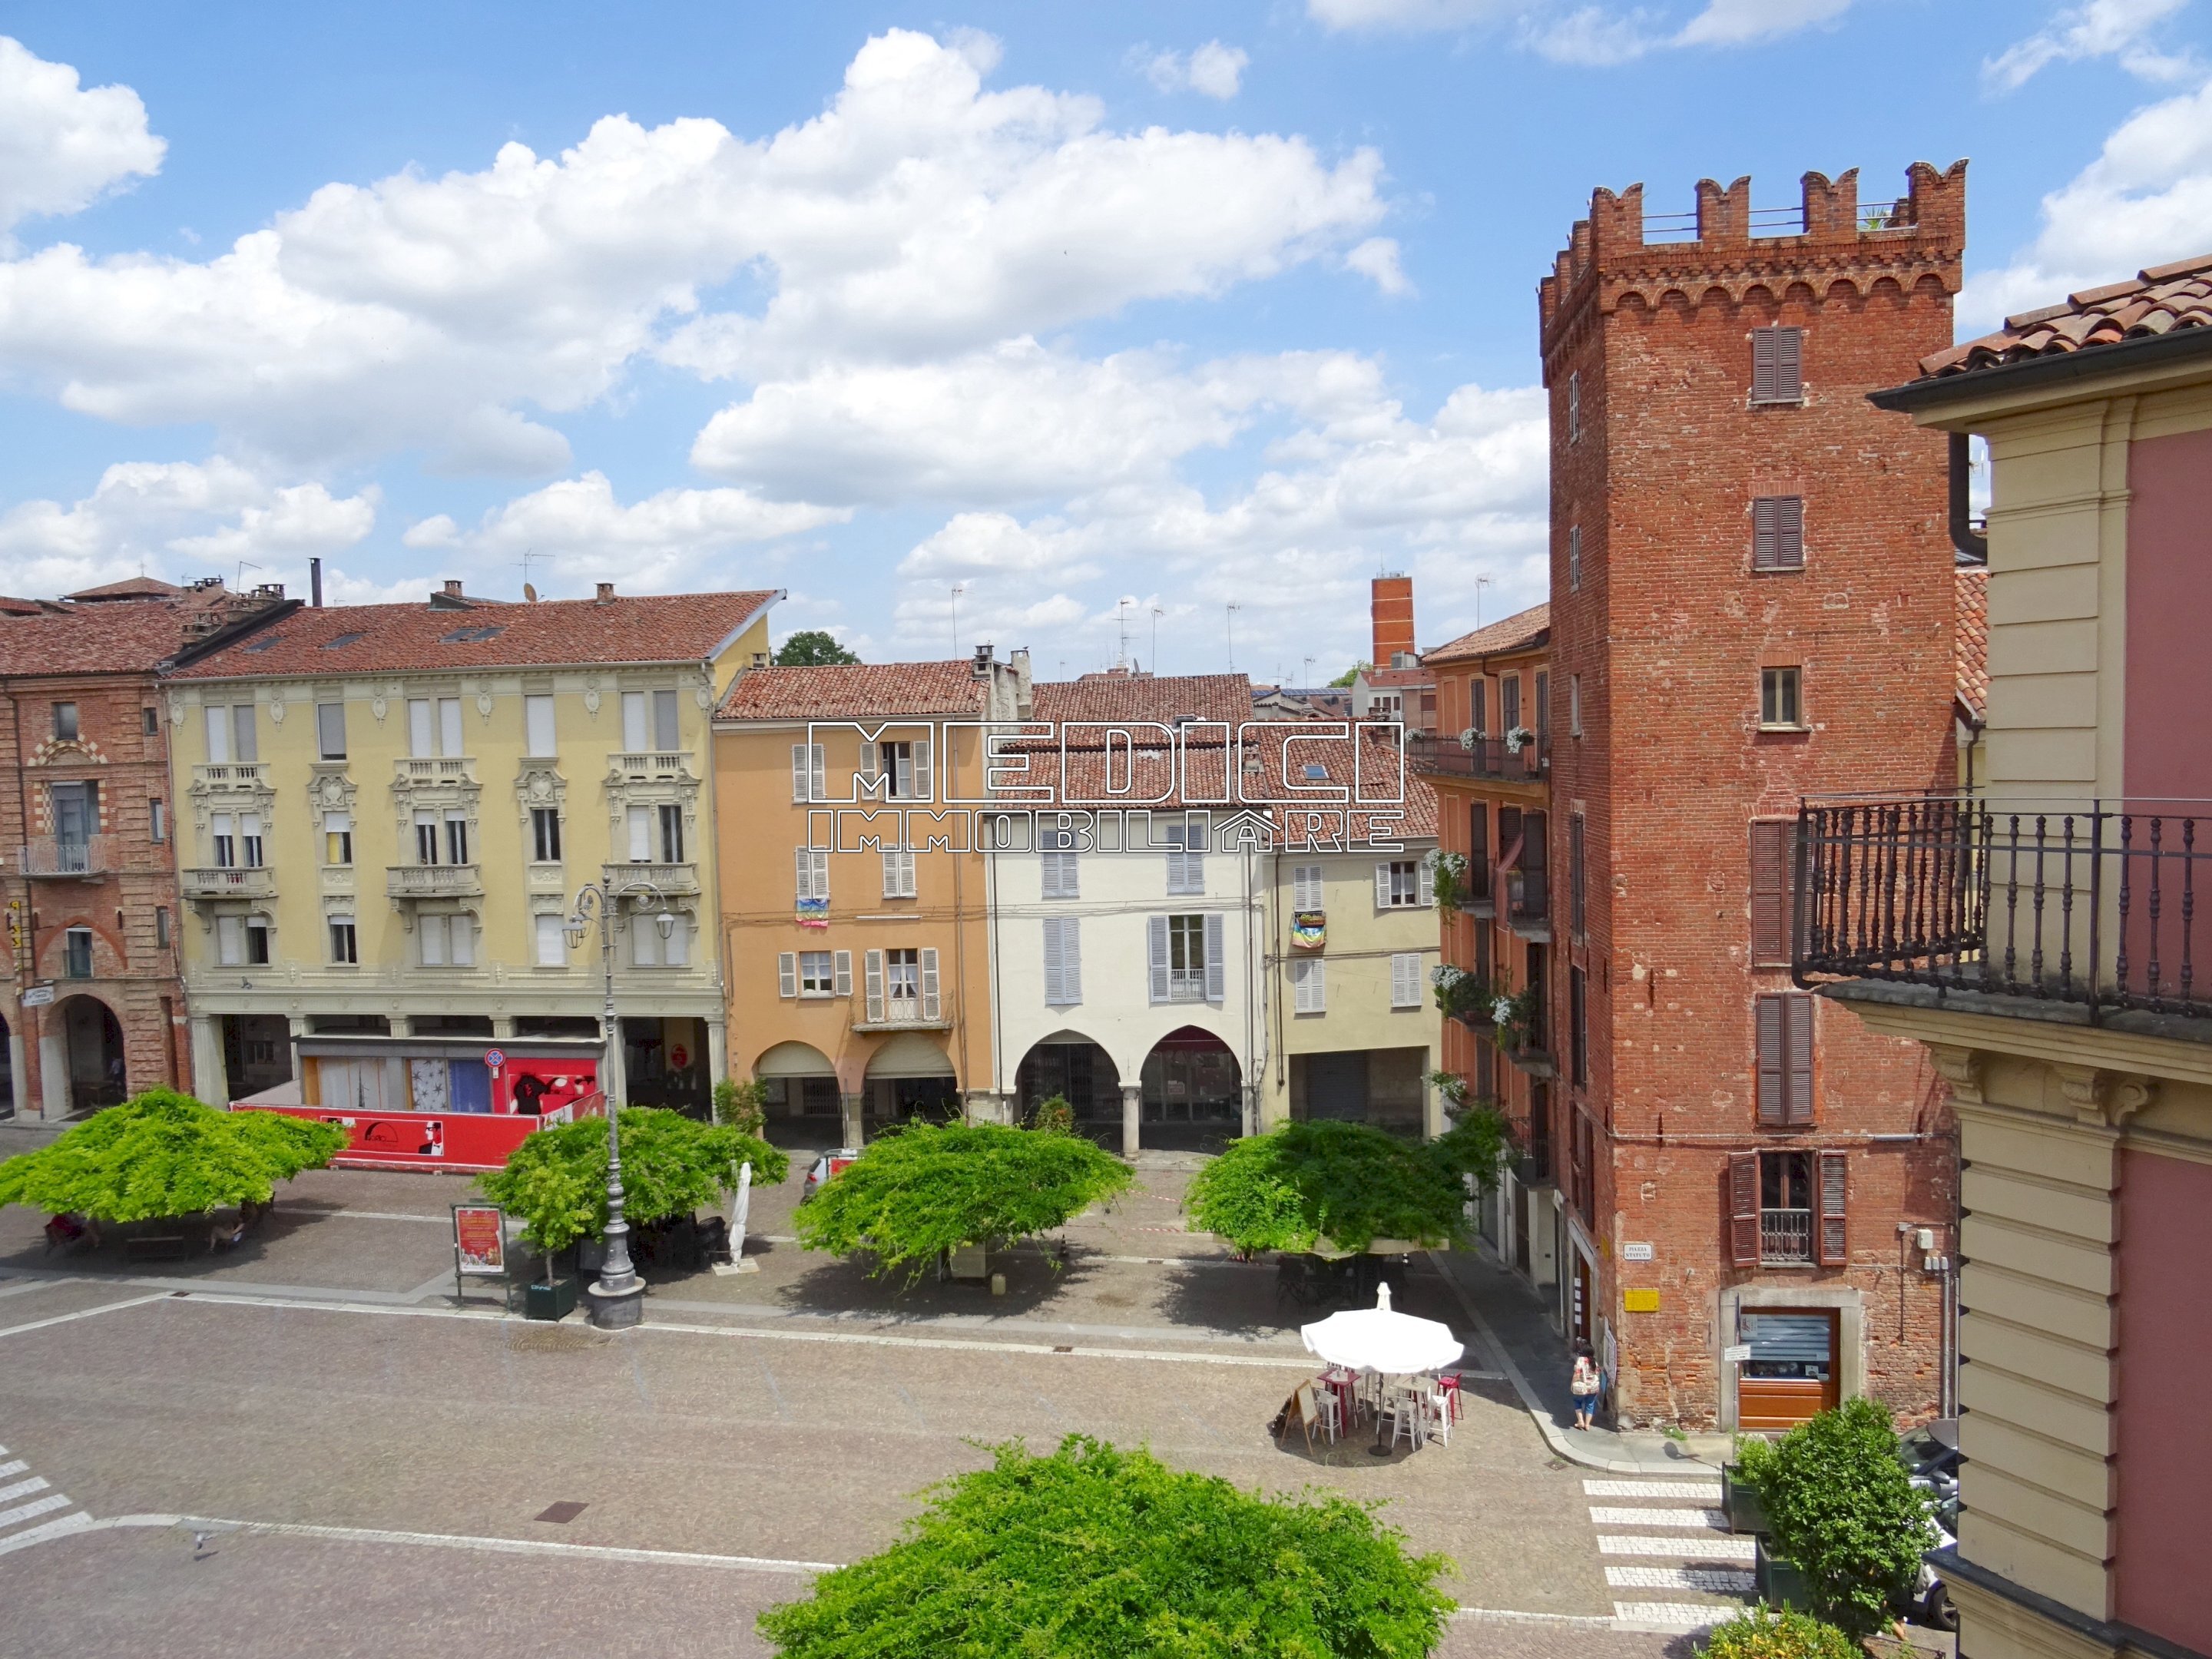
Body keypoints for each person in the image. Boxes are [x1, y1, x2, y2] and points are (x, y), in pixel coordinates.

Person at [1570, 1339, 1601, 1430]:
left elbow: (1577, 1374)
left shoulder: (1581, 1360)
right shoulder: (1594, 1362)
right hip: (1593, 1388)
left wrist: (1572, 1384)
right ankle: (1587, 1425)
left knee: (1577, 1402)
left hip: (1582, 1387)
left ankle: (1580, 1421)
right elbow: (1598, 1373)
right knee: (1590, 1405)